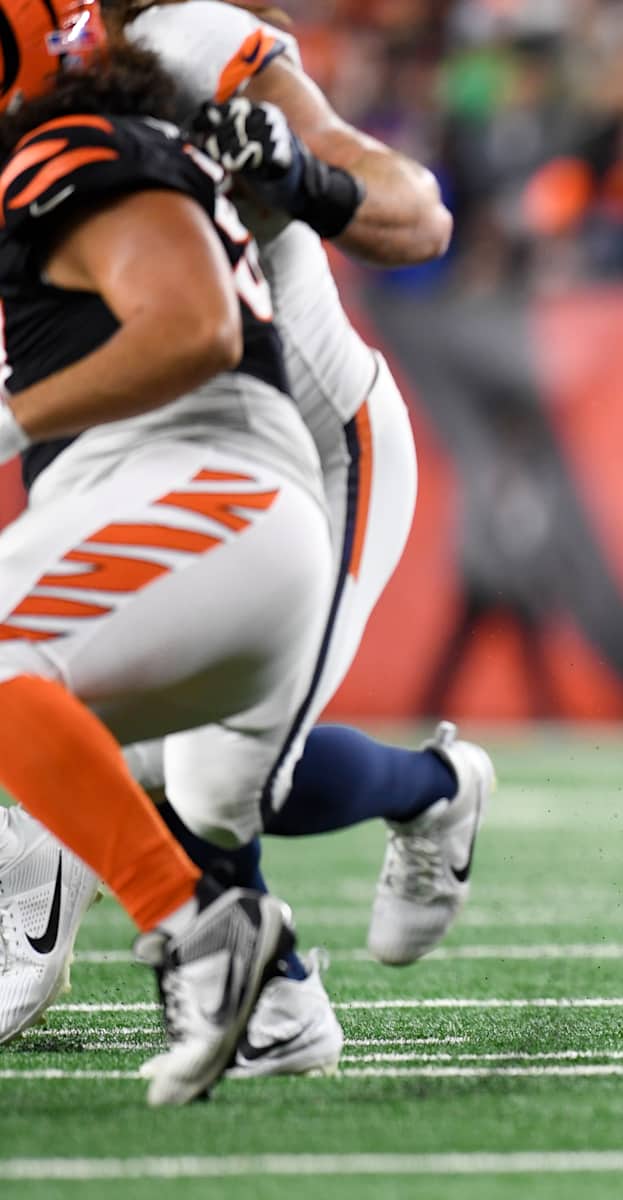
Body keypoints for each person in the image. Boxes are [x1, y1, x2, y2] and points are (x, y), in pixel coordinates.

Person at [0, 0, 493, 1079]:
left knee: (225, 788)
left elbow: (419, 217)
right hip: (129, 464)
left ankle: (435, 791)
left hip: (309, 452)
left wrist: (303, 181)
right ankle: (272, 1000)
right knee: (96, 729)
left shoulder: (184, 48)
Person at [0, 0, 339, 1105]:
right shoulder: (87, 149)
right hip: (188, 515)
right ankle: (241, 962)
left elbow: (192, 325)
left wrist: (11, 423)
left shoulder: (66, 148)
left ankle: (201, 931)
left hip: (212, 489)